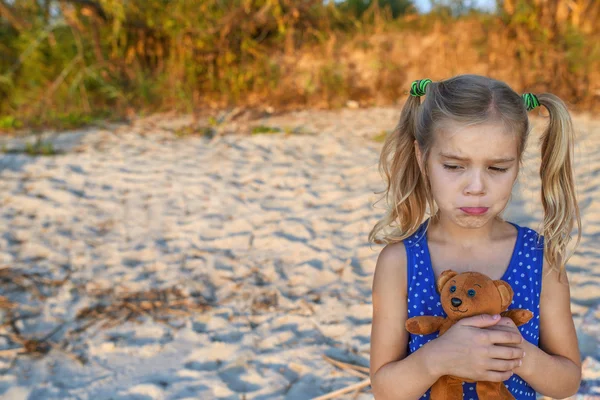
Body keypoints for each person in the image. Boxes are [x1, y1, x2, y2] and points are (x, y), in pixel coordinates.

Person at [368, 75, 583, 399]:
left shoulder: (540, 257)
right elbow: (385, 389)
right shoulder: (400, 261)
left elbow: (567, 381)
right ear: (422, 158)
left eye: (497, 168)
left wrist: (515, 351)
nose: (476, 187)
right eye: (454, 166)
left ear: (517, 164)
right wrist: (437, 357)